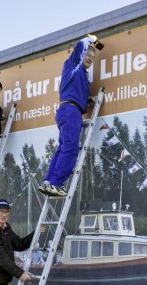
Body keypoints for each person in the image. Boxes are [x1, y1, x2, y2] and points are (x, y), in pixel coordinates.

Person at [39, 34, 103, 197]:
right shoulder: (73, 65)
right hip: (70, 111)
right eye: (88, 55)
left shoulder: (80, 74)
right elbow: (81, 45)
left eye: (93, 57)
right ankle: (56, 183)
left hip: (68, 110)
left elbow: (74, 91)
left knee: (63, 148)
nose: (90, 58)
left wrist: (86, 100)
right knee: (71, 148)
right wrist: (92, 39)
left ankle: (49, 182)